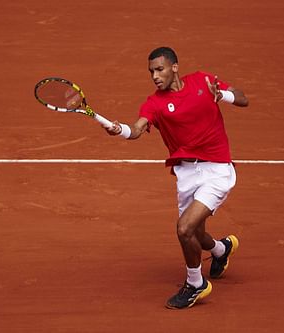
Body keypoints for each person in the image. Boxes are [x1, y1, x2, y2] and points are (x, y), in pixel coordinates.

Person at [105, 46, 249, 309]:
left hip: (217, 169)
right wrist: (121, 130)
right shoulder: (155, 103)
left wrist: (223, 95)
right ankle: (220, 249)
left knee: (184, 228)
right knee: (196, 235)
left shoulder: (203, 81)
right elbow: (137, 128)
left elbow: (243, 98)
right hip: (186, 173)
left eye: (159, 69)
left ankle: (196, 284)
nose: (155, 77)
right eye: (151, 72)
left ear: (174, 67)